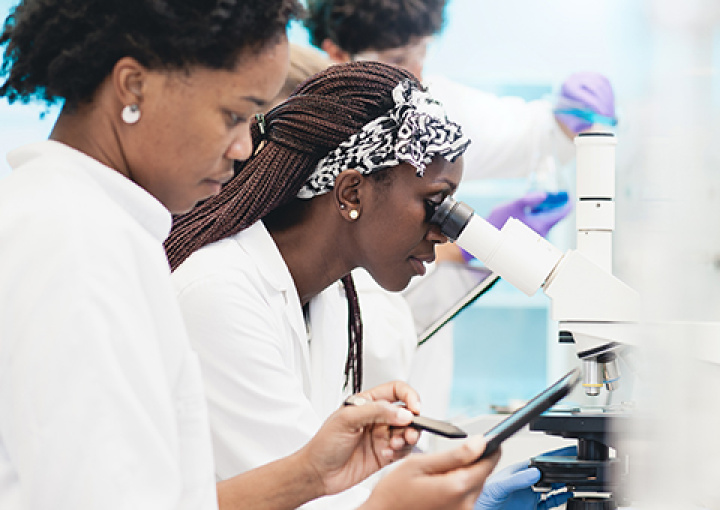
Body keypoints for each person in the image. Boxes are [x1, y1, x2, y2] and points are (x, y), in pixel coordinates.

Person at [0, 2, 501, 509]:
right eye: (234, 116)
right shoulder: (74, 245)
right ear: (133, 87)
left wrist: (309, 474)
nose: (244, 148)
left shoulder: (99, 230)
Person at [165, 61, 570, 510]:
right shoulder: (218, 295)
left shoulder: (333, 296)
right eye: (433, 203)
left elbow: (330, 484)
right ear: (352, 193)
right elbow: (298, 496)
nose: (444, 231)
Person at [303, 0, 616, 420]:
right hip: (342, 389)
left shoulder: (434, 103)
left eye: (423, 51)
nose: (415, 72)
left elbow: (529, 136)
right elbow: (356, 287)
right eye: (398, 59)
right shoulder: (310, 128)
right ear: (337, 53)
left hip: (412, 390)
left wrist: (566, 117)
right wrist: (467, 249)